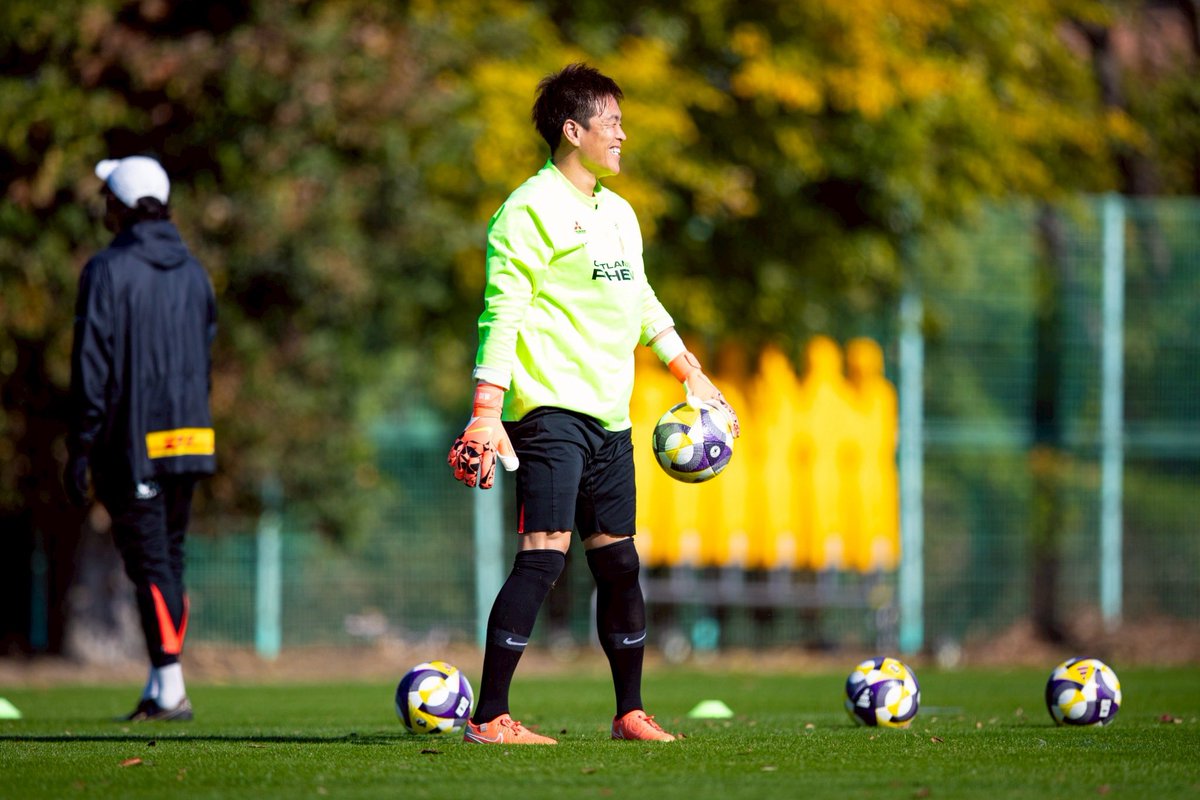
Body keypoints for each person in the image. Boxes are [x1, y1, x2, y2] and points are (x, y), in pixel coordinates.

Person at [448, 63, 740, 745]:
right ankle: (489, 718)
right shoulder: (527, 210)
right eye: (611, 122)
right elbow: (502, 312)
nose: (623, 135)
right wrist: (487, 410)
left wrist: (687, 369)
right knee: (545, 555)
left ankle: (629, 713)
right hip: (548, 411)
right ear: (572, 130)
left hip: (610, 416)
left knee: (619, 562)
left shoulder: (618, 212)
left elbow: (640, 300)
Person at [64, 155, 217, 722]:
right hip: (191, 435)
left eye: (108, 195)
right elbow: (203, 356)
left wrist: (80, 445)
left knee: (151, 562)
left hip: (134, 442)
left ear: (121, 206)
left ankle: (172, 691)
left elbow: (91, 367)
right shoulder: (195, 271)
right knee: (166, 560)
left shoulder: (106, 270)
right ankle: (160, 688)